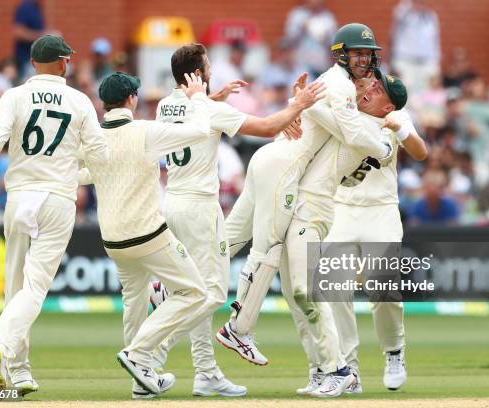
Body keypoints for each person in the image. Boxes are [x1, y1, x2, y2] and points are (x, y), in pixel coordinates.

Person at [216, 23, 392, 397]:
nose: (368, 81)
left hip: (309, 203)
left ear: (388, 106)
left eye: (376, 87)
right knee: (248, 251)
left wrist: (301, 105)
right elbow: (342, 126)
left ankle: (332, 368)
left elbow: (351, 135)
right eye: (360, 57)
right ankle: (320, 366)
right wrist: (300, 105)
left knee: (293, 283)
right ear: (343, 55)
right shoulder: (341, 92)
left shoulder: (374, 129)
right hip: (285, 174)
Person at [146, 42, 324, 398]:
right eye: (208, 66)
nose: (213, 72)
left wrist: (217, 99)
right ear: (197, 74)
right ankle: (147, 357)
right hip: (200, 209)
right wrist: (297, 106)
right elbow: (265, 126)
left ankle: (206, 372)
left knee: (198, 290)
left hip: (173, 205)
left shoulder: (166, 105)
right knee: (208, 294)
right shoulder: (209, 112)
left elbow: (195, 112)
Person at [77, 71, 221, 397]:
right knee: (195, 293)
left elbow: (80, 173)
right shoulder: (143, 130)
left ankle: (141, 382)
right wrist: (198, 96)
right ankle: (139, 353)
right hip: (148, 235)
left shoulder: (95, 139)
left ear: (104, 103)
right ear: (131, 99)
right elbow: (199, 130)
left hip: (113, 241)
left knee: (135, 304)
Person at [0, 34, 109, 395]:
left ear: (34, 64)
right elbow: (99, 157)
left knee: (15, 287)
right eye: (67, 60)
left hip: (19, 195)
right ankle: (6, 352)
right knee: (35, 288)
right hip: (57, 200)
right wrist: (76, 173)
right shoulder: (79, 100)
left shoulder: (14, 95)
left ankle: (19, 372)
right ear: (62, 63)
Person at [322, 75, 426, 395]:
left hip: (380, 210)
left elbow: (421, 152)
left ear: (389, 104)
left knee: (383, 290)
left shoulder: (396, 117)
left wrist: (401, 129)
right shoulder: (348, 107)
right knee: (333, 289)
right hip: (341, 208)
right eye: (371, 85)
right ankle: (347, 368)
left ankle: (394, 351)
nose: (370, 89)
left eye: (379, 90)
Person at [390, 0, 441, 93]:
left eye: (422, 2)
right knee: (405, 90)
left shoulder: (431, 17)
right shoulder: (403, 14)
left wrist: (435, 61)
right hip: (405, 60)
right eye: (416, 2)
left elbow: (435, 41)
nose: (419, 5)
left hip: (426, 61)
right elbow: (398, 12)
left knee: (425, 91)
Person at [284, 0, 337, 78]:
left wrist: (326, 35)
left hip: (321, 63)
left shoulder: (328, 17)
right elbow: (290, 38)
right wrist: (302, 28)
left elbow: (334, 42)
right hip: (301, 63)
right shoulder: (297, 15)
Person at [13, 0, 47, 78]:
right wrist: (43, 36)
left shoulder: (37, 7)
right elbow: (18, 32)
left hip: (36, 60)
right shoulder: (25, 7)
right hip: (25, 59)